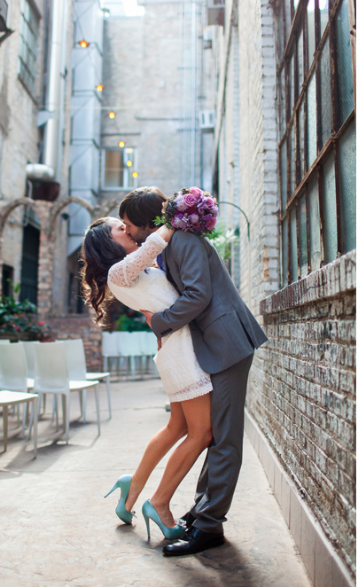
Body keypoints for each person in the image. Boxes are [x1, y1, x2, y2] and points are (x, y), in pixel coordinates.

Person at [119, 187, 267, 557]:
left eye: (128, 226)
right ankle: (203, 513)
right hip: (215, 345)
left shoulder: (182, 241)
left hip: (227, 344)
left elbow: (198, 295)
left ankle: (210, 527)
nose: (129, 233)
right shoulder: (171, 246)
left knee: (225, 440)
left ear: (145, 223)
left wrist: (160, 323)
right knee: (214, 435)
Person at [82, 217, 210, 544]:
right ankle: (160, 502)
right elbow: (156, 241)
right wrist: (178, 214)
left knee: (178, 428)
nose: (127, 229)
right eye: (119, 228)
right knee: (202, 432)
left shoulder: (135, 270)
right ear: (107, 244)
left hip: (177, 349)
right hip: (181, 354)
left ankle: (132, 487)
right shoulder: (118, 272)